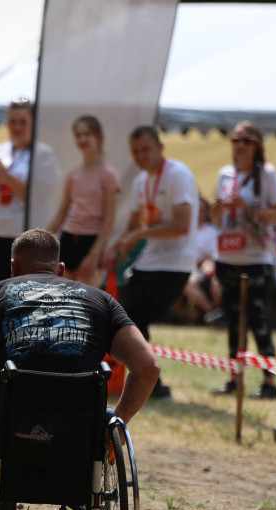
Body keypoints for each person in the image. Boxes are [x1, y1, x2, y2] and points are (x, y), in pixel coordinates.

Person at [0, 229, 160, 454]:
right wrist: (118, 425)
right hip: (81, 420)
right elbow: (148, 367)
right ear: (60, 270)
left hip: (11, 417)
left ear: (14, 267)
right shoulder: (102, 301)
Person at [104, 126, 198, 401]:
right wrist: (113, 246)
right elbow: (133, 225)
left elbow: (181, 225)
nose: (141, 155)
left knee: (132, 316)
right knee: (128, 317)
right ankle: (150, 383)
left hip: (175, 263)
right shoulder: (140, 182)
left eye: (146, 149)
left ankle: (151, 382)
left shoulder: (178, 175)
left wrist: (140, 234)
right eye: (135, 151)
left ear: (160, 147)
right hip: (148, 262)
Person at [210, 122, 276, 399]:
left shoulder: (266, 174)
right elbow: (214, 219)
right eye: (235, 139)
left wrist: (252, 208)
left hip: (257, 257)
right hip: (227, 255)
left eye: (246, 140)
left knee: (257, 318)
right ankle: (235, 378)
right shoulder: (225, 174)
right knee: (233, 320)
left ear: (257, 145)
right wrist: (217, 210)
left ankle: (270, 383)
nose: (240, 145)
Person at [0, 98, 61, 285]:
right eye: (13, 122)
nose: (17, 127)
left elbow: (36, 197)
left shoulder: (43, 154)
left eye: (23, 122)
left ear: (32, 123)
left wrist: (7, 176)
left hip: (28, 236)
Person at [46, 114, 121, 288]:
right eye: (78, 135)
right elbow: (60, 215)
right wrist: (38, 241)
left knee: (86, 302)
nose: (82, 139)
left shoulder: (108, 175)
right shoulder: (73, 175)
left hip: (92, 241)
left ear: (99, 137)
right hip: (68, 239)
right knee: (63, 298)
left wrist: (94, 254)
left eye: (87, 134)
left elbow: (110, 220)